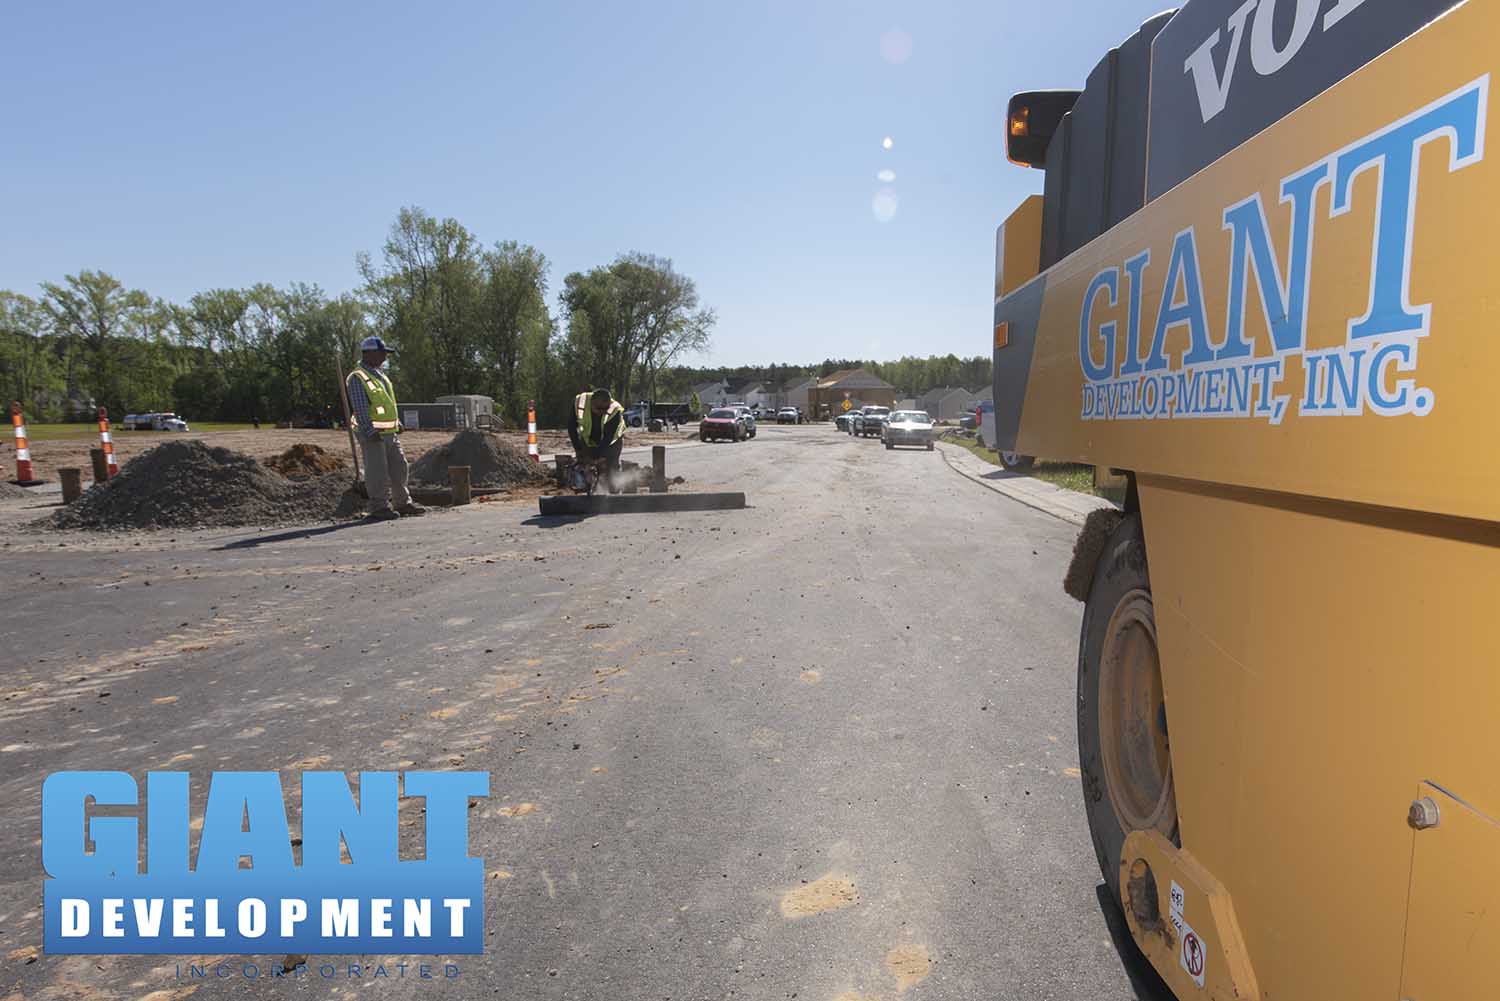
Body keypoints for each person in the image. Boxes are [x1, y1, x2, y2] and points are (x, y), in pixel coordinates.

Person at [345, 336, 426, 521]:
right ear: (370, 353)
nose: (385, 357)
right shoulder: (358, 377)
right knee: (377, 471)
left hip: (390, 432)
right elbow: (360, 407)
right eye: (382, 353)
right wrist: (369, 430)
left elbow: (385, 404)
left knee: (400, 467)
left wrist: (396, 423)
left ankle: (402, 503)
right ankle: (378, 506)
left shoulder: (380, 375)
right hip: (372, 433)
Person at [568, 388, 625, 492]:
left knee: (610, 467)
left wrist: (600, 457)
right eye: (598, 408)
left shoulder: (615, 410)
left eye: (605, 409)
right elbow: (571, 427)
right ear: (592, 403)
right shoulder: (580, 403)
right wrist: (579, 450)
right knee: (585, 466)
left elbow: (607, 438)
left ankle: (614, 492)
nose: (602, 412)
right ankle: (585, 489)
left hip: (612, 441)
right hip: (589, 438)